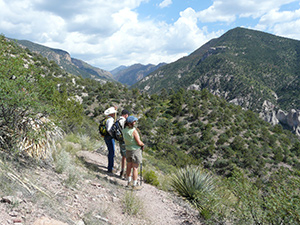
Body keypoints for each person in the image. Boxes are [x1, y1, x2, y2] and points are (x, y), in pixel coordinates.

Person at [122, 115, 145, 190]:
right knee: (135, 168)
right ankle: (134, 185)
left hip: (128, 149)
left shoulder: (124, 130)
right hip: (135, 150)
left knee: (128, 165)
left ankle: (129, 182)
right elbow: (138, 142)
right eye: (134, 121)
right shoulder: (134, 131)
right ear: (131, 123)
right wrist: (143, 144)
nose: (135, 122)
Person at [103, 106, 117, 173]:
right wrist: (113, 135)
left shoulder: (106, 118)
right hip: (109, 137)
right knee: (112, 152)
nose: (114, 114)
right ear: (111, 114)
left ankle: (110, 167)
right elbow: (109, 129)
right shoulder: (110, 119)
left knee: (110, 151)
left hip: (106, 136)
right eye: (113, 113)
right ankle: (110, 168)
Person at [118, 109, 130, 178]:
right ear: (125, 115)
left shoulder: (117, 120)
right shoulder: (123, 121)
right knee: (127, 157)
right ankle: (125, 173)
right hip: (125, 140)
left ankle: (122, 171)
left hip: (120, 140)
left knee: (123, 157)